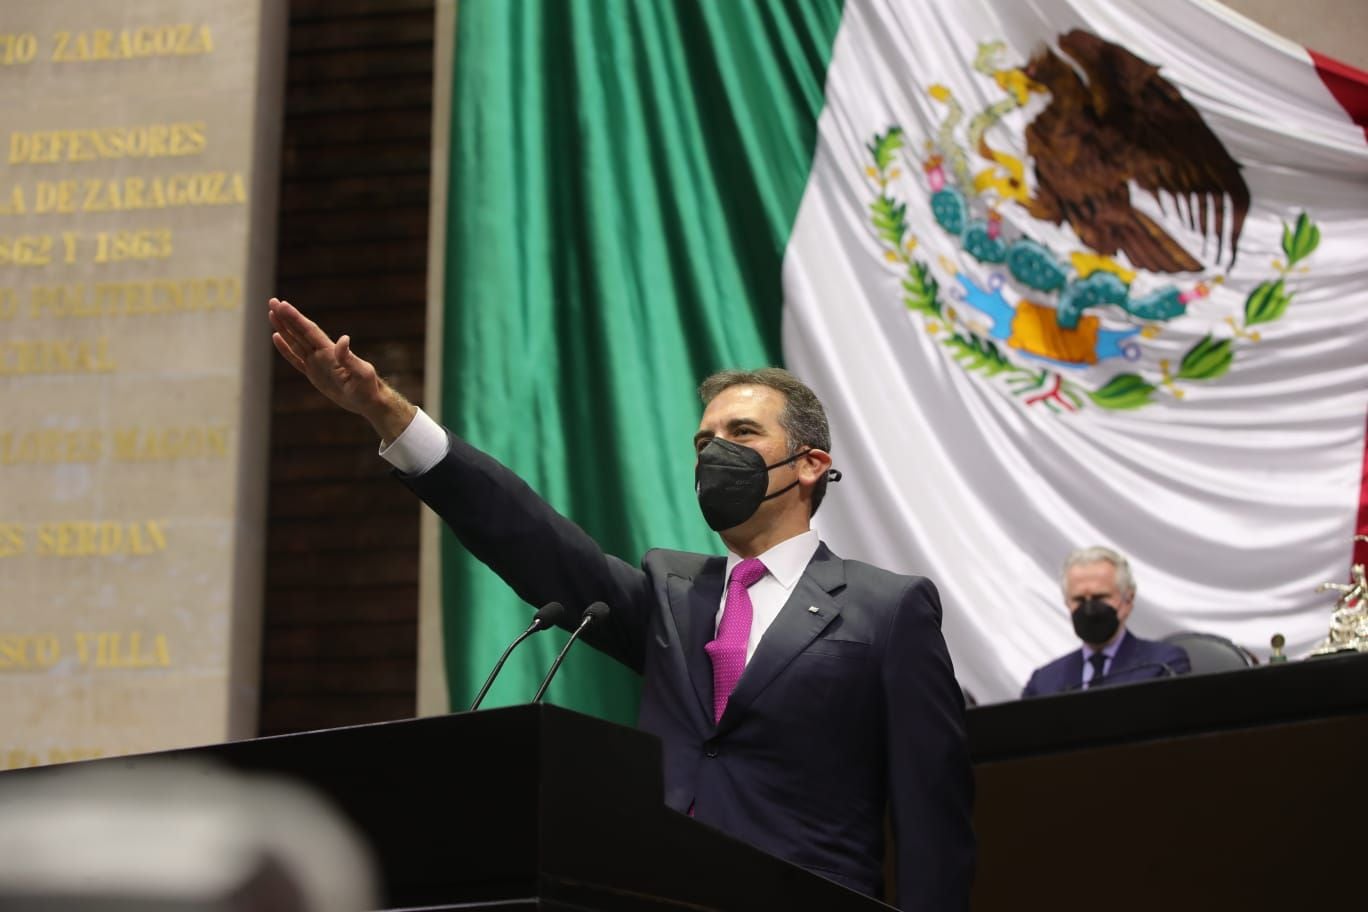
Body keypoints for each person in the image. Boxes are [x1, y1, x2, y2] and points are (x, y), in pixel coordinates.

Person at [267, 297, 975, 911]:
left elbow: (932, 823)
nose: (713, 453)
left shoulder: (888, 610)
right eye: (703, 441)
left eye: (742, 435)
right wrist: (386, 412)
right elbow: (530, 538)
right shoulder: (672, 595)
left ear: (813, 463)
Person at [1022, 546, 1190, 698]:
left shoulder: (1163, 666)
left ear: (1128, 600)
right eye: (1079, 600)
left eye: (1100, 597)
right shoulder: (1044, 683)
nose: (1089, 608)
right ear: (1067, 603)